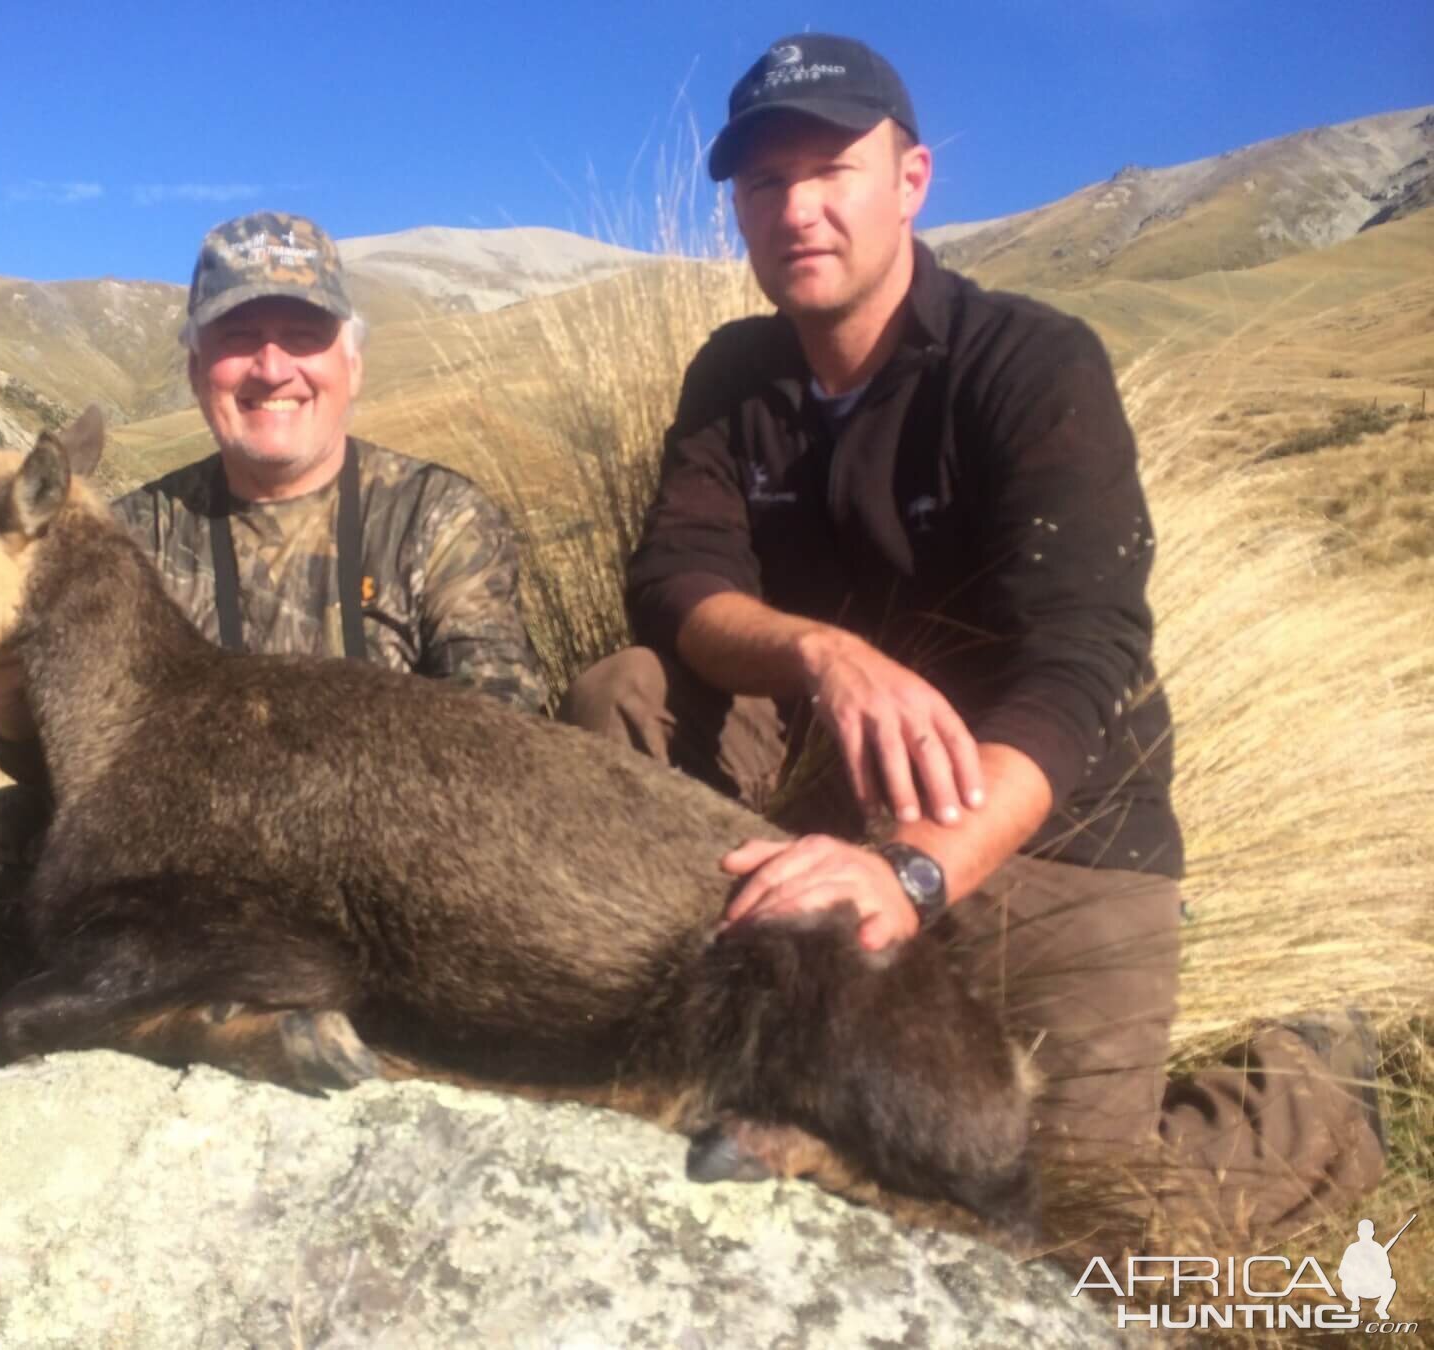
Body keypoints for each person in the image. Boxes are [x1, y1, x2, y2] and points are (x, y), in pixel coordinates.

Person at [560, 34, 1384, 1244]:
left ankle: (1320, 1083)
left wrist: (912, 869)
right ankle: (701, 1023)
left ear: (912, 179)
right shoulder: (734, 373)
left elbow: (1085, 655)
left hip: (1048, 827)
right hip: (817, 785)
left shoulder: (1034, 363)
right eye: (763, 181)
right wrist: (822, 655)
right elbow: (674, 584)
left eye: (832, 166)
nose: (798, 207)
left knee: (1066, 1227)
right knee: (625, 692)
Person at [0, 211, 546, 1002]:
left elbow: (501, 735)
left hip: (397, 866)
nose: (271, 366)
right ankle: (61, 1064)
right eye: (237, 337)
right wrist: (5, 697)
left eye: (303, 334)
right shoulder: (126, 535)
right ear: (196, 370)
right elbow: (63, 772)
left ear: (351, 364)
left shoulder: (438, 516)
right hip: (187, 877)